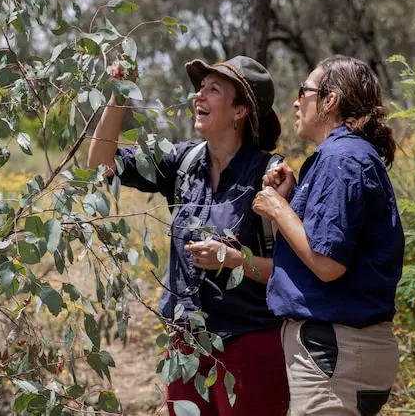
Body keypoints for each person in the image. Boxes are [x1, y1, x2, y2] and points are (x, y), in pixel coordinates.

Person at [88, 56, 289, 416]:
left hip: (252, 347)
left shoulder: (272, 176)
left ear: (241, 110)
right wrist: (117, 96)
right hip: (186, 345)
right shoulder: (181, 163)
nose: (199, 96)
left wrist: (231, 259)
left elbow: (290, 272)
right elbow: (100, 162)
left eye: (214, 90)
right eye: (201, 87)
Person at [253, 55, 404, 416]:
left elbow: (326, 264)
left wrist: (277, 208)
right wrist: (287, 201)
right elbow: (305, 257)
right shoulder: (346, 156)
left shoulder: (341, 158)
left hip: (333, 355)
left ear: (330, 100)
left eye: (304, 91)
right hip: (339, 353)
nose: (295, 101)